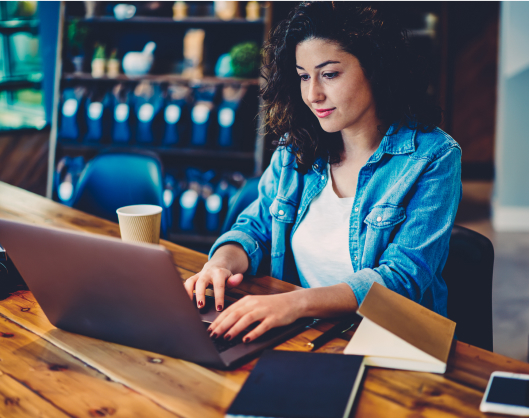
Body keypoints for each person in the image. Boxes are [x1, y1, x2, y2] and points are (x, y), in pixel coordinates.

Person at [184, 2, 462, 344]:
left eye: (329, 74)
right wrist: (221, 263)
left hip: (391, 342)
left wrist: (295, 303)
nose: (313, 94)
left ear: (375, 69)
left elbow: (402, 280)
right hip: (304, 335)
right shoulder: (296, 148)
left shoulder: (432, 157)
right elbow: (256, 228)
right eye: (303, 76)